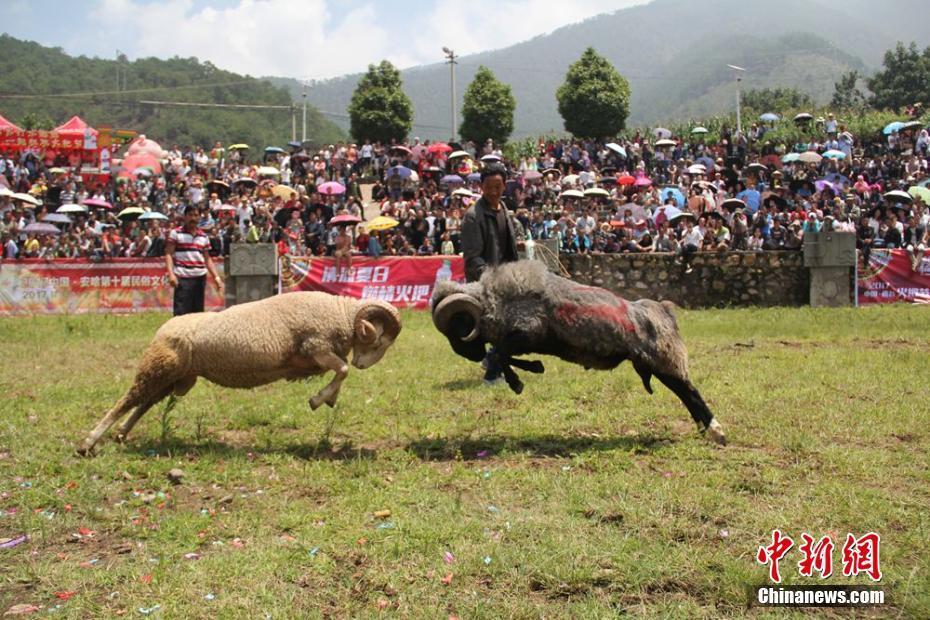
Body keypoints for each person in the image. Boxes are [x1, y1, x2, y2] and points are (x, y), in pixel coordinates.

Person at [461, 162, 519, 385]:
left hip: (508, 279)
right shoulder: (473, 216)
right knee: (500, 328)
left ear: (505, 186)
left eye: (498, 186)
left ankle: (493, 360)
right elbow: (472, 258)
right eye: (489, 187)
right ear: (481, 187)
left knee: (509, 326)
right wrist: (492, 279)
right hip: (486, 282)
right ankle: (492, 375)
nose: (493, 192)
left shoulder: (504, 209)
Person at [165, 203, 223, 316]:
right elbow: (168, 254)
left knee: (197, 314)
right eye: (190, 215)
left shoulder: (203, 236)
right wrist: (171, 274)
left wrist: (216, 276)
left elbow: (207, 259)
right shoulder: (175, 233)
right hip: (183, 278)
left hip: (199, 278)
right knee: (181, 313)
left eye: (196, 215)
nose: (193, 218)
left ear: (200, 217)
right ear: (185, 216)